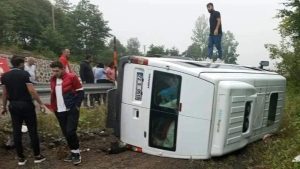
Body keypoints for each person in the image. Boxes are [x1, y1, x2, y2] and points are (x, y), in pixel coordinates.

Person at [1, 55, 46, 166]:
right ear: (21, 64)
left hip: (13, 105)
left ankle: (21, 158)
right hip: (26, 105)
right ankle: (37, 156)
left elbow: (5, 93)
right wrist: (40, 103)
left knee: (16, 131)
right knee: (32, 130)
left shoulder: (5, 76)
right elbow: (32, 91)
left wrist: (4, 107)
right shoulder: (25, 74)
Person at [49, 61, 84, 165]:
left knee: (70, 131)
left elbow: (81, 92)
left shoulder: (72, 77)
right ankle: (73, 152)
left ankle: (77, 154)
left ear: (63, 69)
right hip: (59, 110)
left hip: (71, 109)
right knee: (66, 133)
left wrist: (77, 106)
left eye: (57, 71)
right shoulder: (53, 79)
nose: (55, 73)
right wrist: (54, 107)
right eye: (53, 71)